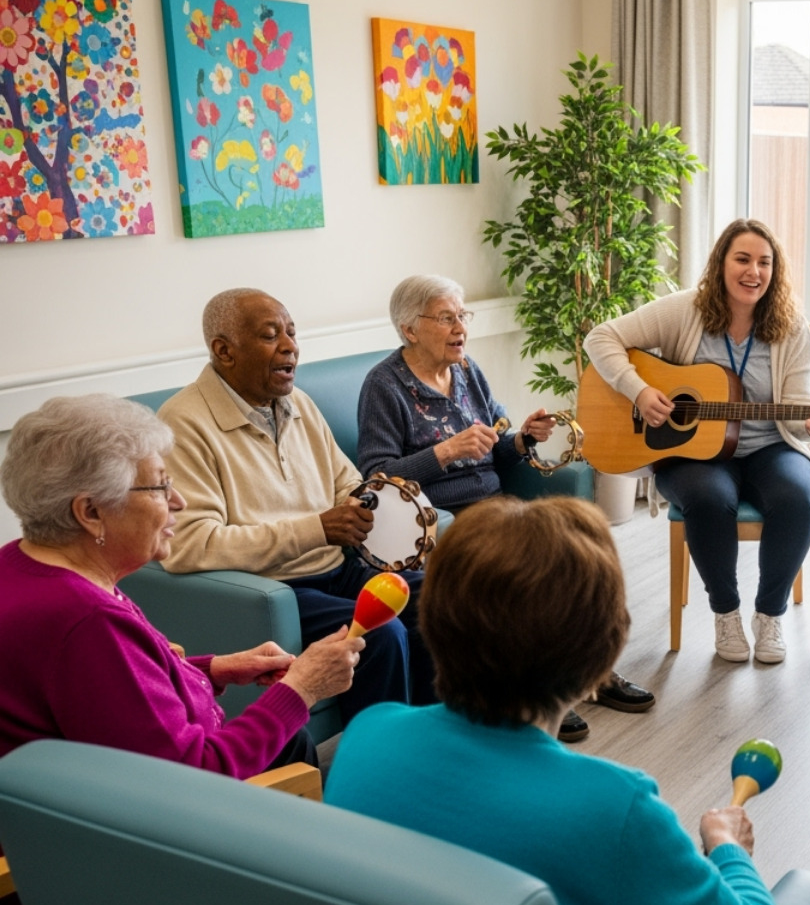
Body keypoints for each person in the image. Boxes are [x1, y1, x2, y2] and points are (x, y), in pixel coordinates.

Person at [326, 497, 784, 905]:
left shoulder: (367, 737)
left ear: (432, 622)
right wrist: (729, 850)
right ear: (600, 658)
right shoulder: (616, 811)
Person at [357, 274, 654, 742]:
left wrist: (522, 438)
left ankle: (587, 675)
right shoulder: (384, 386)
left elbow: (496, 444)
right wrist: (445, 452)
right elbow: (377, 478)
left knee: (577, 556)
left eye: (463, 316)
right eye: (447, 318)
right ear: (410, 329)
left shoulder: (467, 371)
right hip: (441, 520)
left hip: (495, 505)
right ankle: (544, 691)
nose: (461, 327)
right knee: (531, 572)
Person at [0, 395, 362, 774]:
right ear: (91, 512)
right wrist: (303, 688)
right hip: (196, 801)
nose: (179, 501)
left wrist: (214, 669)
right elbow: (191, 776)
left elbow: (113, 698)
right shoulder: (87, 620)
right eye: (159, 487)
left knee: (302, 744)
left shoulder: (22, 564)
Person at [157, 288, 428, 725]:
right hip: (274, 590)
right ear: (224, 351)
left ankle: (432, 738)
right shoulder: (183, 423)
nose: (290, 347)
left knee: (443, 599)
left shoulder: (297, 402)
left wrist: (381, 513)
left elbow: (347, 485)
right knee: (381, 632)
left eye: (292, 333)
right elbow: (190, 544)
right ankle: (376, 757)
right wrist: (317, 529)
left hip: (339, 568)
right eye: (271, 336)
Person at [586, 218, 810, 664]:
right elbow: (600, 337)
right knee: (708, 497)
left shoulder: (790, 327)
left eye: (764, 262)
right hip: (693, 452)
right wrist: (638, 391)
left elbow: (796, 412)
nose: (753, 272)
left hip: (770, 446)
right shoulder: (684, 311)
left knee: (797, 496)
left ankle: (769, 615)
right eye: (743, 259)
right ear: (721, 262)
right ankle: (726, 613)